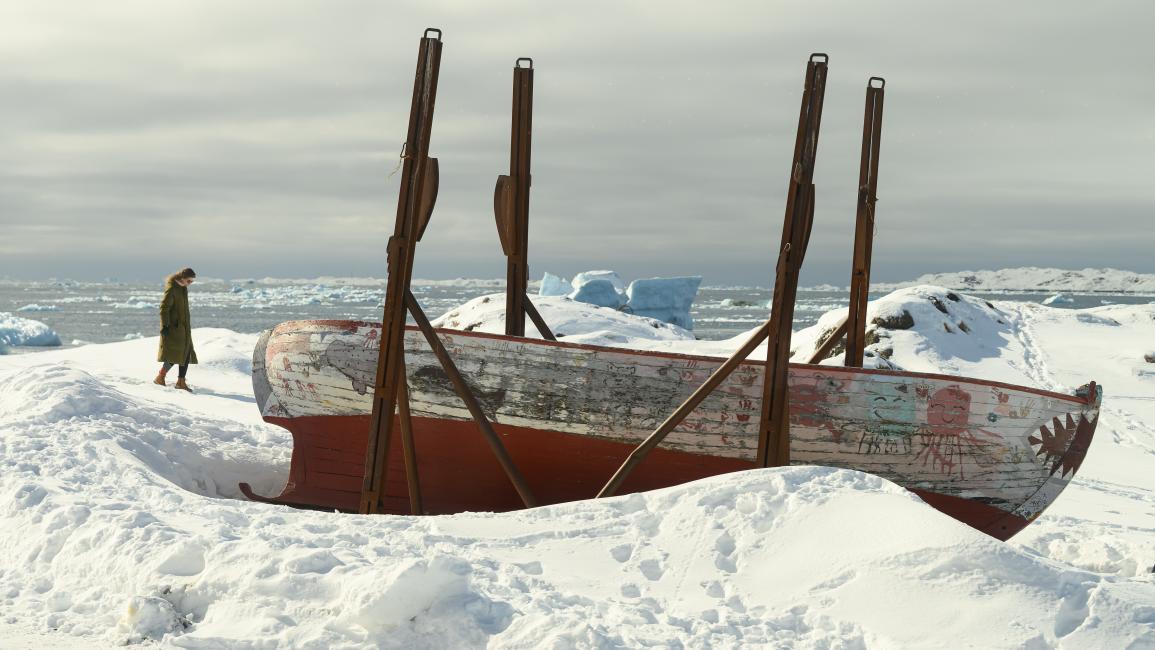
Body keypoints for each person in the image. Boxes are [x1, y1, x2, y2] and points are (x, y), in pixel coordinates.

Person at [154, 267, 198, 392]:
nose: (190, 284)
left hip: (183, 328)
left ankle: (180, 381)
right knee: (175, 355)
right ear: (182, 278)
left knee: (185, 353)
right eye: (189, 281)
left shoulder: (182, 288)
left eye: (192, 282)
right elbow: (164, 308)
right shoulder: (172, 289)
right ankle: (161, 377)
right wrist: (165, 326)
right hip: (174, 328)